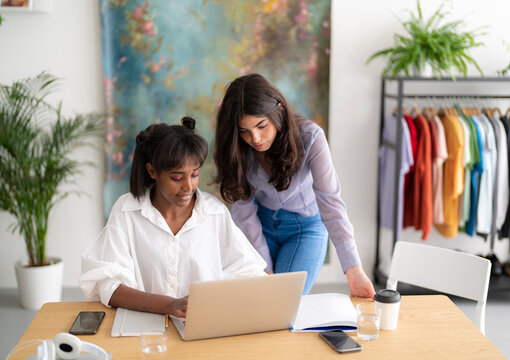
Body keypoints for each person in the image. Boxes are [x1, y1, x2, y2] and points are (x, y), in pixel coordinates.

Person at [80, 118, 266, 318]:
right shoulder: (127, 211)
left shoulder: (215, 213)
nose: (188, 187)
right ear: (152, 171)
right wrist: (168, 305)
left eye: (194, 174)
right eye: (177, 178)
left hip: (201, 326)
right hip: (143, 325)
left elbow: (248, 272)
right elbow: (109, 286)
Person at [213, 73, 375, 297]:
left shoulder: (311, 138)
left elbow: (331, 203)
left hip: (306, 228)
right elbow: (244, 210)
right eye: (245, 131)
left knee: (284, 300)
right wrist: (264, 266)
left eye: (261, 126)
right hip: (261, 225)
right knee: (256, 298)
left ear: (278, 109)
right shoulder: (238, 149)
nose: (256, 138)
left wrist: (353, 268)